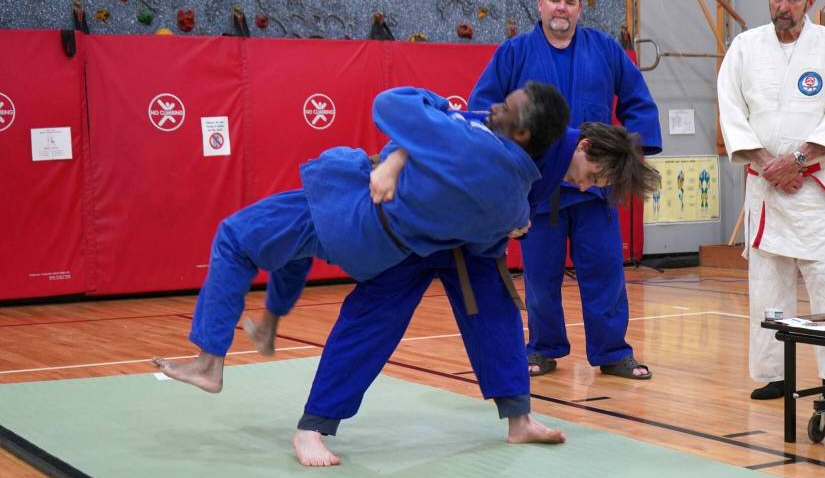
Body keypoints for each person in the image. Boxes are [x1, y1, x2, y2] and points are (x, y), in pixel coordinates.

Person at [153, 82, 568, 396]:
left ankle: (209, 361)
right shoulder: (514, 200)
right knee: (291, 248)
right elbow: (484, 241)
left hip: (350, 210)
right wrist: (404, 155)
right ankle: (270, 324)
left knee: (234, 238)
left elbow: (391, 104)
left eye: (506, 107)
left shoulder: (469, 143)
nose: (493, 105)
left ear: (523, 134)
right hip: (375, 248)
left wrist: (431, 119)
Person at [291, 121, 660, 467]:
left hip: (471, 245)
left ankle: (519, 419)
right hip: (414, 229)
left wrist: (516, 224)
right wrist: (393, 164)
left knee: (498, 318)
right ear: (584, 146)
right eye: (592, 176)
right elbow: (437, 129)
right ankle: (311, 428)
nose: (583, 188)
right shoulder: (525, 129)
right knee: (371, 322)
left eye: (595, 186)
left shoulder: (556, 162)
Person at [469, 0, 662, 380]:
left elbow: (638, 102)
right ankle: (543, 348)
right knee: (540, 277)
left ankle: (613, 352)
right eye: (555, 0)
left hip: (595, 190)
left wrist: (627, 158)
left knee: (606, 273)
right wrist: (504, 165)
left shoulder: (606, 50)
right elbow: (484, 107)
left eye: (570, 2)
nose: (562, 9)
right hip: (539, 189)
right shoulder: (514, 52)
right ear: (540, 5)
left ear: (579, 9)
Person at [717, 0, 825, 400]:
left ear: (810, 3)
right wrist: (767, 164)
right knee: (767, 286)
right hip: (766, 185)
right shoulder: (745, 47)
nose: (783, 6)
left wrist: (796, 161)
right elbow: (731, 110)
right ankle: (776, 374)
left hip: (814, 186)